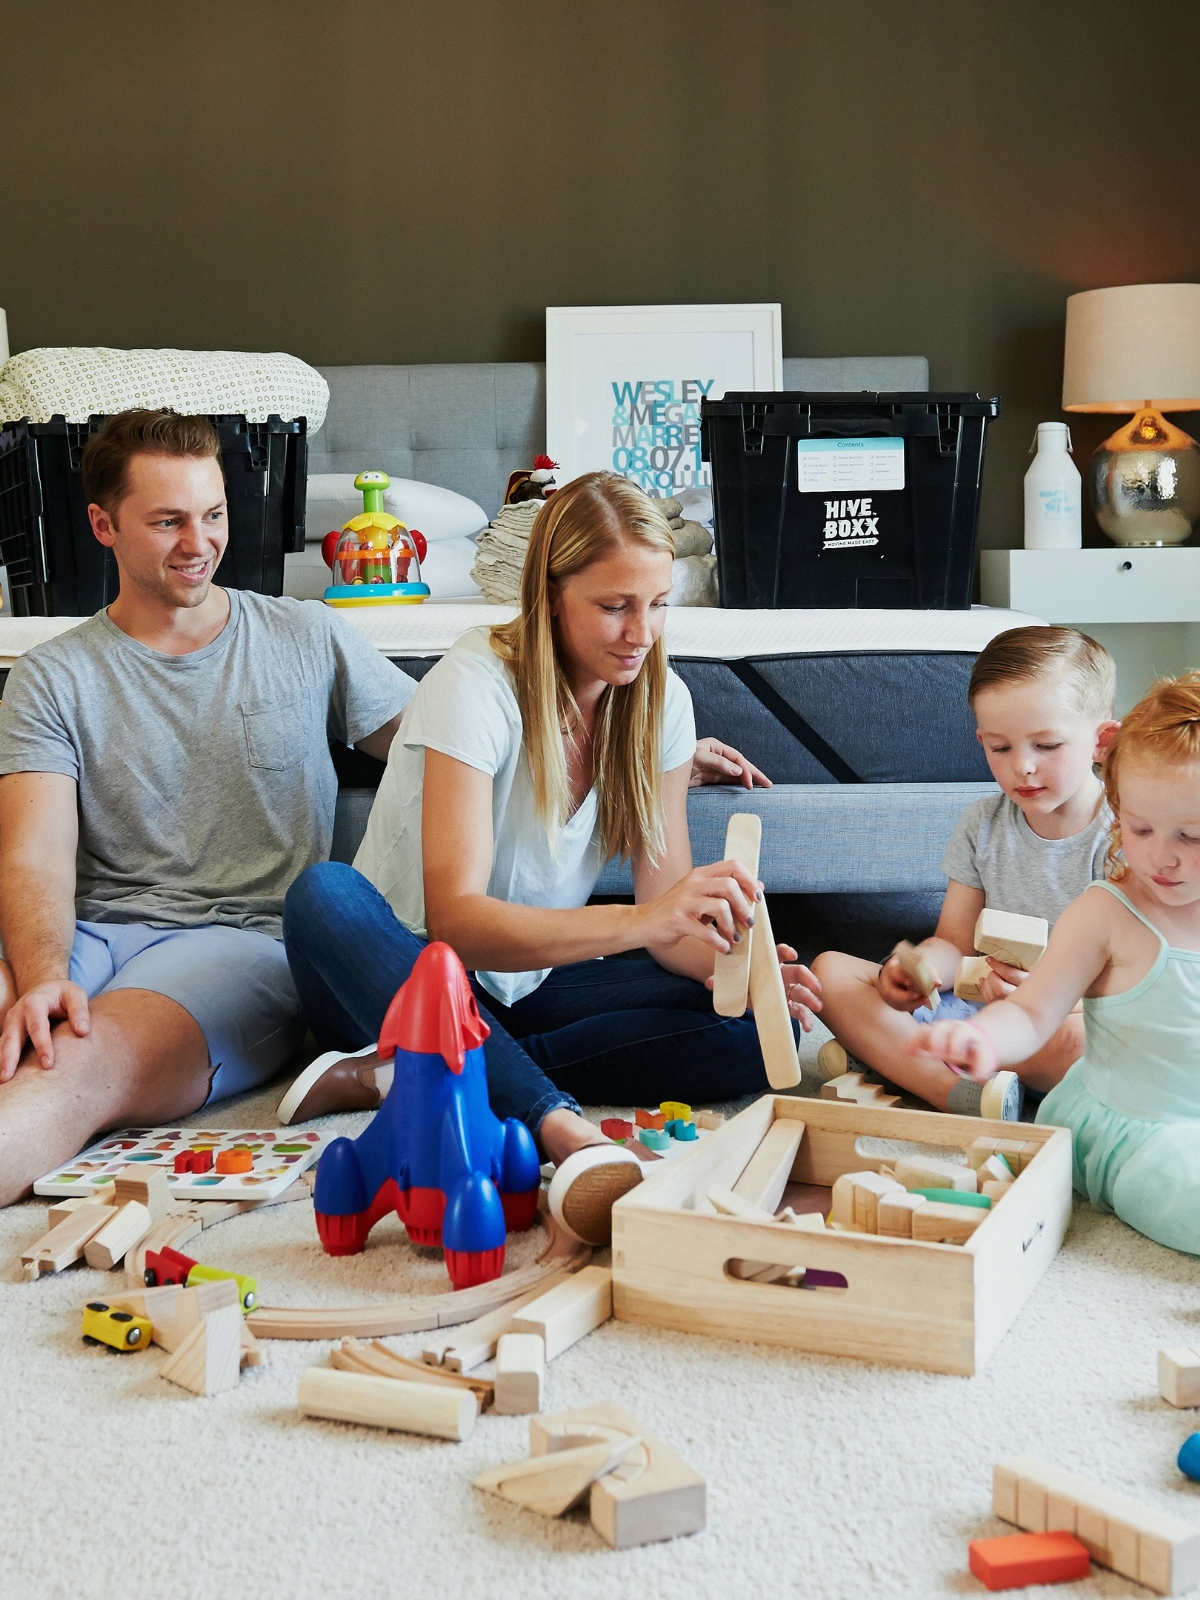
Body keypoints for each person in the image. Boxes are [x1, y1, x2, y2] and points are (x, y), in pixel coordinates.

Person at [281, 472, 822, 1244]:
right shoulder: (474, 684)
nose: (642, 632)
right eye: (615, 606)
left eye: (658, 603)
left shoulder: (661, 703)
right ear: (551, 592)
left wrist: (738, 970)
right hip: (395, 984)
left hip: (521, 984)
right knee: (323, 894)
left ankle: (411, 1082)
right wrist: (646, 921)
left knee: (755, 1037)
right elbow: (457, 926)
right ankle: (553, 1122)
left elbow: (670, 919)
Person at [0, 409, 415, 1205]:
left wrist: (634, 757)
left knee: (79, 1059)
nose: (200, 542)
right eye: (168, 521)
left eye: (214, 514)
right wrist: (43, 977)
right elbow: (33, 854)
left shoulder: (304, 635)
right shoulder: (52, 677)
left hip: (237, 945)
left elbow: (454, 751)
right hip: (92, 930)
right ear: (103, 525)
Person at [910, 672, 1200, 1257]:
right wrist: (982, 1039)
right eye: (1139, 828)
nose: (1161, 856)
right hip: (1138, 1129)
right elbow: (1032, 1011)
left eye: (1191, 836)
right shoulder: (1105, 914)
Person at [811, 627, 1118, 1120]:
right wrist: (919, 974)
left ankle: (901, 1062)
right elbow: (954, 942)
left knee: (1085, 1043)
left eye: (1046, 745)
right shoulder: (983, 824)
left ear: (1101, 742)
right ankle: (955, 1087)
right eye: (1000, 748)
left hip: (1063, 1019)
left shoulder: (1124, 835)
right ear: (981, 740)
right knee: (828, 972)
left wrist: (1045, 995)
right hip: (974, 1011)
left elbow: (1129, 979)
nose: (1024, 767)